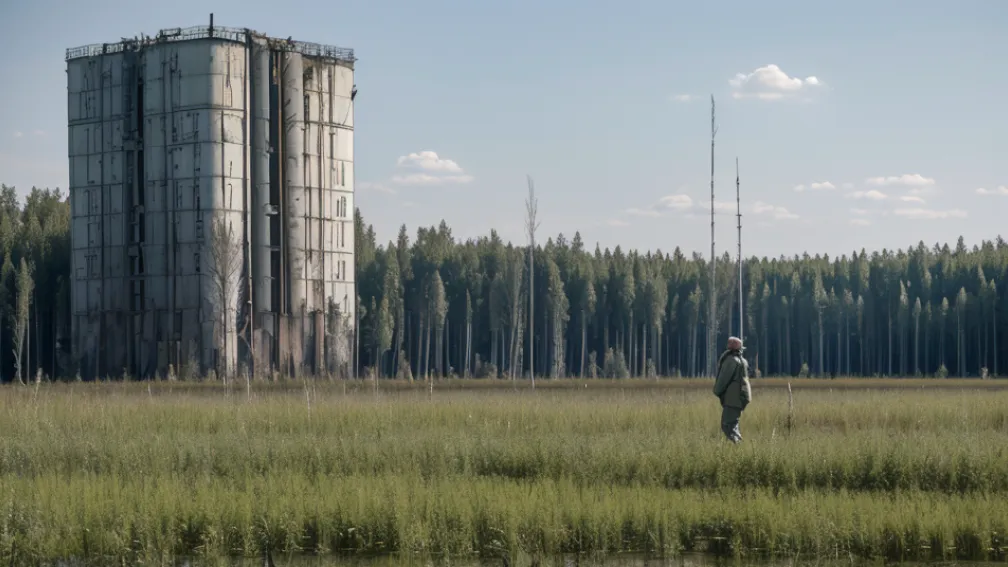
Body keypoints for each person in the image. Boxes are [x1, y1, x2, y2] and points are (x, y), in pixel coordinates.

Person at [712, 336, 751, 443]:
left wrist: (716, 391)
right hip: (740, 398)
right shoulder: (743, 361)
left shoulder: (731, 361)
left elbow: (723, 380)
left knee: (727, 425)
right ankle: (738, 447)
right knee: (733, 424)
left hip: (733, 399)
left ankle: (738, 446)